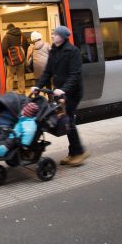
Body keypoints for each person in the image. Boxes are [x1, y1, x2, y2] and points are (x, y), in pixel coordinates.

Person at [31, 25, 90, 166]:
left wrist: (64, 89)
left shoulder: (73, 51)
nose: (52, 36)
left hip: (73, 92)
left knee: (68, 119)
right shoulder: (53, 51)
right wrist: (37, 87)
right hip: (60, 92)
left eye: (55, 34)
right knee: (67, 121)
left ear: (62, 37)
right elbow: (47, 72)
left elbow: (74, 74)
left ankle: (79, 152)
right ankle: (74, 152)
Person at [1, 24, 27, 94]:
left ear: (8, 29)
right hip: (21, 60)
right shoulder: (22, 36)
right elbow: (26, 46)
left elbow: (3, 49)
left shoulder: (7, 36)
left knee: (10, 77)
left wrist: (4, 57)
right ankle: (22, 92)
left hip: (10, 61)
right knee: (21, 76)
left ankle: (10, 93)